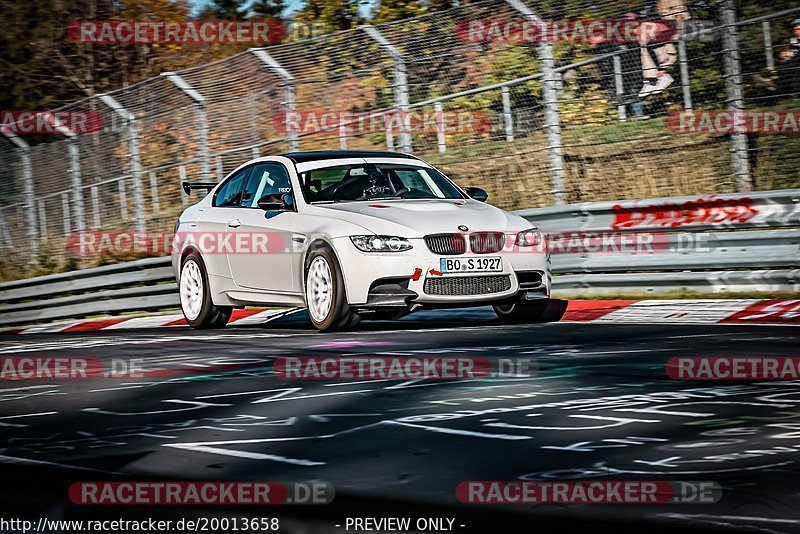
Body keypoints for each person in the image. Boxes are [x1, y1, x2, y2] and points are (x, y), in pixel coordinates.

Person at [631, 0, 691, 98]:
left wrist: (678, 33)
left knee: (648, 41)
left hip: (669, 26)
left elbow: (679, 15)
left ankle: (658, 77)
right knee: (644, 46)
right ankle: (652, 80)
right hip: (659, 28)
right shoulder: (654, 4)